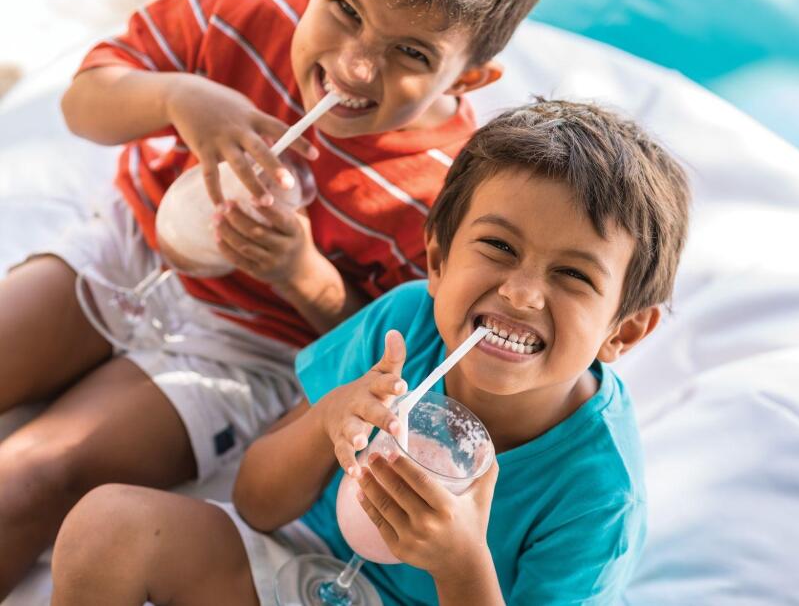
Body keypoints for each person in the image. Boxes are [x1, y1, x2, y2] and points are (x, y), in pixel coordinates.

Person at [0, 0, 548, 597]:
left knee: (32, 478)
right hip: (128, 247)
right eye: (345, 9)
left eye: (410, 52)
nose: (355, 67)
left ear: (468, 77)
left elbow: (392, 350)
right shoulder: (235, 14)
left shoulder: (453, 196)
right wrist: (176, 97)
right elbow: (83, 103)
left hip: (246, 350)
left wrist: (300, 273)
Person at [50, 99, 692, 605]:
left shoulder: (599, 492)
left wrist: (460, 562)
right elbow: (257, 503)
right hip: (297, 563)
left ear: (623, 332)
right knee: (108, 527)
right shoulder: (404, 327)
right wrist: (329, 419)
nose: (520, 293)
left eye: (573, 276)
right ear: (437, 261)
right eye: (499, 247)